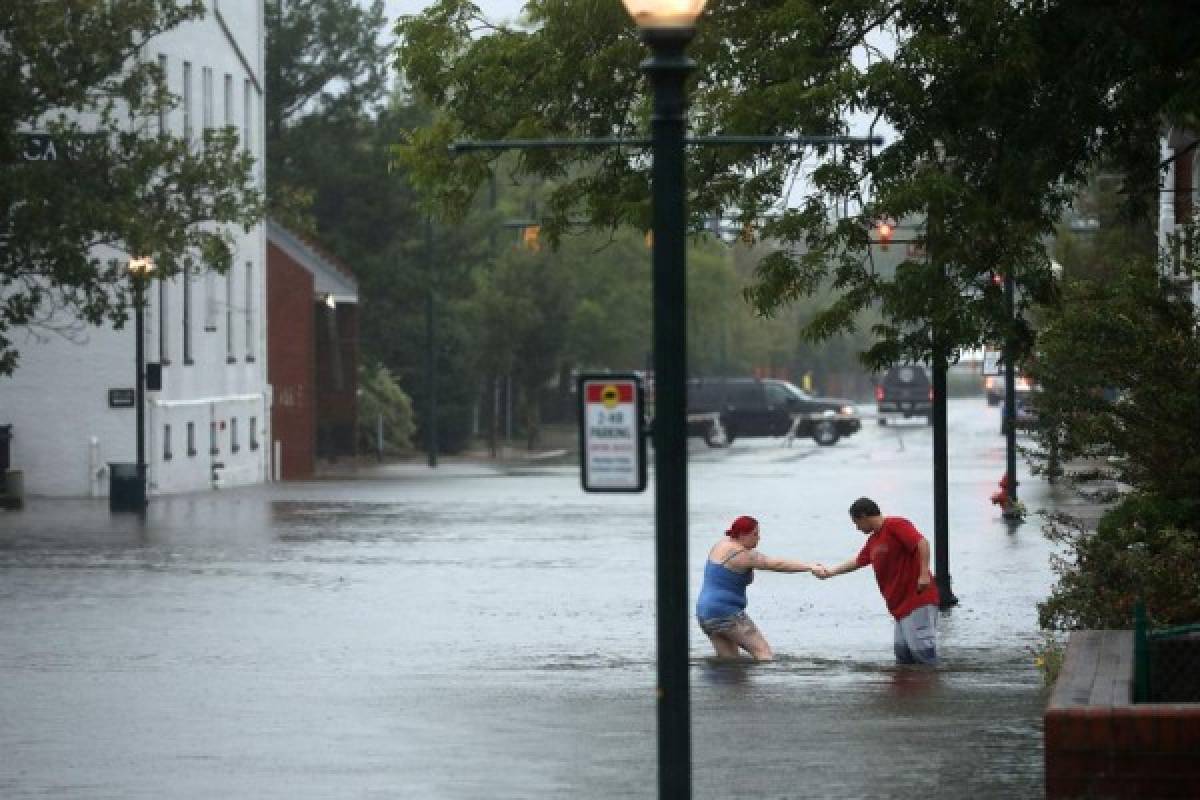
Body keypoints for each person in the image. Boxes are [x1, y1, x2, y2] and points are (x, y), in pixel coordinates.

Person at [812, 497, 941, 665]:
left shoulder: (896, 524)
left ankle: (931, 688)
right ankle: (907, 691)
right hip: (899, 607)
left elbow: (922, 543)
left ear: (864, 516)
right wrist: (830, 572)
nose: (857, 528)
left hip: (918, 600)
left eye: (856, 523)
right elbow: (858, 561)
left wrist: (924, 573)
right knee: (903, 656)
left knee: (923, 655)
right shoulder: (873, 540)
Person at [696, 515, 815, 662]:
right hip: (726, 612)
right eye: (755, 534)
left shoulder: (721, 545)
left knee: (729, 661)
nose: (759, 538)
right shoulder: (742, 554)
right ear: (741, 534)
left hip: (705, 614)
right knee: (764, 654)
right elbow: (777, 564)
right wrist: (810, 566)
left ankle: (726, 686)